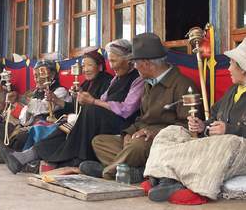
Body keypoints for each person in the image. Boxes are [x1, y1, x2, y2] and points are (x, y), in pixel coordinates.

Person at [143, 35, 246, 202]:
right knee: (171, 132)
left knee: (226, 142)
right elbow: (214, 119)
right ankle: (162, 176)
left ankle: (197, 188)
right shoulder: (233, 91)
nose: (229, 69)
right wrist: (203, 126)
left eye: (232, 64)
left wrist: (229, 130)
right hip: (223, 144)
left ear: (244, 68)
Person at [0, 44, 144, 173]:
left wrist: (92, 101)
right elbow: (97, 102)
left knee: (88, 112)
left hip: (121, 124)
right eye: (83, 66)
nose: (112, 66)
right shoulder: (114, 80)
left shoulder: (135, 79)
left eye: (114, 61)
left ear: (129, 60)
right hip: (94, 119)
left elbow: (126, 110)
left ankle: (76, 159)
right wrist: (76, 99)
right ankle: (25, 156)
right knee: (65, 126)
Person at [81, 33, 198, 183]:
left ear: (147, 64)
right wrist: (128, 133)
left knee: (137, 146)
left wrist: (153, 132)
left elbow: (186, 126)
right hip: (141, 137)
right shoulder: (149, 83)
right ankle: (137, 171)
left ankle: (109, 171)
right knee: (100, 142)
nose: (134, 67)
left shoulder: (182, 85)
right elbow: (141, 119)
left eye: (135, 63)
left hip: (163, 141)